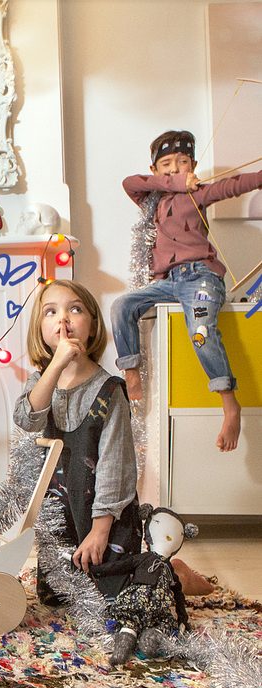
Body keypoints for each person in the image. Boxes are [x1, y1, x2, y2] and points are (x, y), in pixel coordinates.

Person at [14, 280, 211, 603]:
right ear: (40, 329)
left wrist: (100, 530)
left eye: (75, 309)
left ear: (92, 325)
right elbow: (27, 419)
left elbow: (115, 467)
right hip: (61, 512)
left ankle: (175, 572)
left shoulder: (109, 391)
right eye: (50, 312)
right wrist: (56, 365)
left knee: (120, 596)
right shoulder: (41, 383)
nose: (63, 319)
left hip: (104, 513)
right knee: (58, 598)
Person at [112, 130, 262, 451]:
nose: (174, 168)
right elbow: (130, 182)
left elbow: (233, 185)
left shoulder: (200, 193)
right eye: (166, 163)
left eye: (182, 162)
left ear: (193, 165)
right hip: (168, 282)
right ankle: (130, 371)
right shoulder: (151, 199)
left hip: (201, 278)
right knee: (122, 305)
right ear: (155, 170)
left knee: (201, 331)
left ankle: (229, 403)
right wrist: (176, 182)